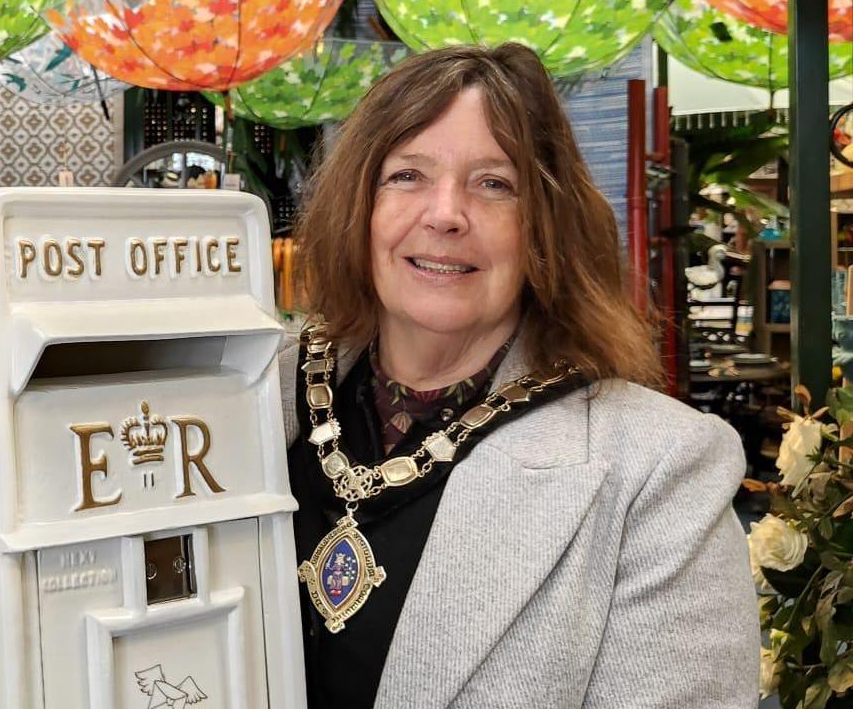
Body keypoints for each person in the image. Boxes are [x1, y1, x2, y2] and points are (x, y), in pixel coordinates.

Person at [282, 43, 758, 707]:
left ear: (545, 228)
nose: (445, 213)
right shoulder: (253, 394)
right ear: (356, 206)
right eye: (408, 176)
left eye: (494, 183)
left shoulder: (658, 470)